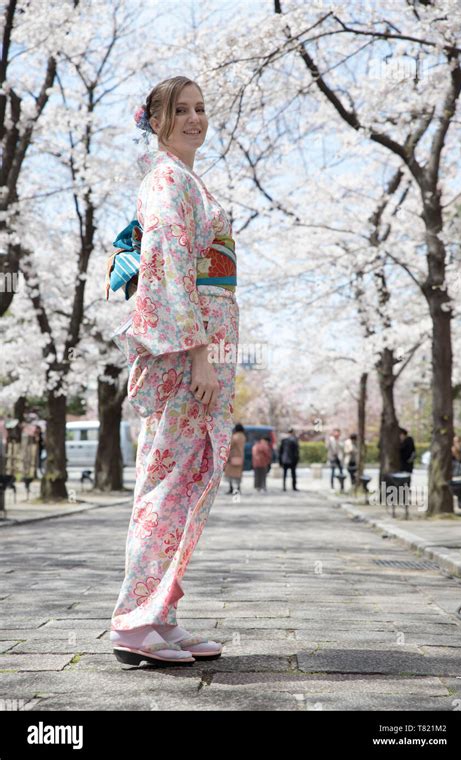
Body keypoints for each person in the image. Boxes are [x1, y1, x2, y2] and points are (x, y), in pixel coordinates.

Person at [108, 76, 239, 667]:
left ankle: (160, 613)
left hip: (208, 342)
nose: (194, 118)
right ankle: (135, 622)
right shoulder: (165, 179)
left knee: (187, 482)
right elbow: (166, 266)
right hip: (190, 351)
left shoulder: (186, 178)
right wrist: (196, 353)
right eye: (179, 110)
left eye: (200, 108)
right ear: (155, 120)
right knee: (166, 484)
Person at [224, 423, 246, 495]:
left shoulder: (235, 436)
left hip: (233, 457)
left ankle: (231, 488)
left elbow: (230, 445)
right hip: (240, 457)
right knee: (238, 474)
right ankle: (238, 488)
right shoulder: (243, 436)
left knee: (229, 473)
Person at [279, 427, 300, 491]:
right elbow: (296, 451)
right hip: (292, 460)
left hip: (285, 459)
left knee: (285, 474)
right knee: (293, 474)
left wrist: (280, 460)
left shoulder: (284, 440)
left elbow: (280, 451)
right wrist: (297, 459)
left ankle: (284, 487)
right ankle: (293, 487)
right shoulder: (295, 440)